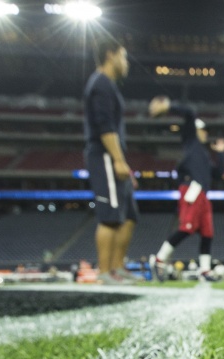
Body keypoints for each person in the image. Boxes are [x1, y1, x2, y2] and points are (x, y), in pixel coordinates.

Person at [147, 96, 224, 282]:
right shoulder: (191, 142)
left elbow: (219, 173)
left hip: (203, 195)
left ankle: (205, 271)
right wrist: (168, 106)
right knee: (186, 228)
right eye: (203, 130)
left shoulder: (204, 155)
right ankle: (159, 260)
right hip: (192, 189)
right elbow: (190, 113)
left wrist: (221, 153)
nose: (206, 133)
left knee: (207, 234)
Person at [83, 37, 137, 285]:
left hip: (114, 155)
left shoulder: (109, 86)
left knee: (128, 216)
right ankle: (105, 272)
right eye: (123, 56)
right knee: (110, 216)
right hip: (104, 155)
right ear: (110, 54)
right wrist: (116, 159)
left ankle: (117, 268)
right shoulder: (101, 84)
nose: (126, 62)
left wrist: (123, 161)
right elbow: (104, 126)